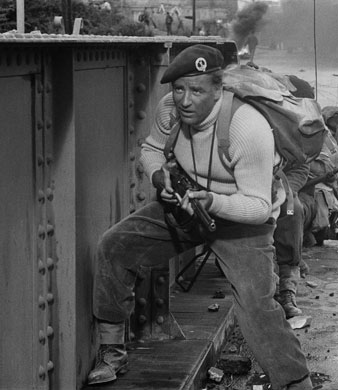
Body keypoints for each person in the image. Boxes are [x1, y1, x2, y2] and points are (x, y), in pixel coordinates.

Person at [87, 45, 313, 390]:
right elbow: (150, 148)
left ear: (218, 88)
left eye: (197, 90)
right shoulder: (170, 111)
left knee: (256, 307)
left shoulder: (246, 128)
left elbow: (257, 208)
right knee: (115, 245)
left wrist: (215, 202)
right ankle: (111, 350)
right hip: (187, 204)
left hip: (242, 221)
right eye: (178, 89)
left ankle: (295, 382)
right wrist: (157, 175)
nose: (185, 100)